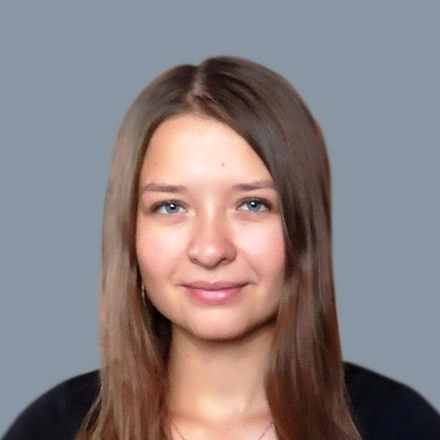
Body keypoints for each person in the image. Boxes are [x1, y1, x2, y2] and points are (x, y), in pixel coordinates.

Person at [3, 56, 440, 440]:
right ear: (130, 232)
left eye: (252, 204)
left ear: (303, 226)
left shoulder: (402, 426)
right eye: (171, 206)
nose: (210, 250)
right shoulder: (52, 428)